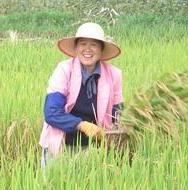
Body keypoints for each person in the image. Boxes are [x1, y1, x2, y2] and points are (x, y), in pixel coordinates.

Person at [39, 22, 124, 165]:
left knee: (92, 187)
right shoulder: (64, 70)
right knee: (53, 186)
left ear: (101, 50)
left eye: (94, 45)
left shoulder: (113, 75)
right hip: (61, 145)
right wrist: (81, 125)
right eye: (83, 44)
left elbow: (118, 115)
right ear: (76, 47)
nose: (88, 49)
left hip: (94, 150)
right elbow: (51, 112)